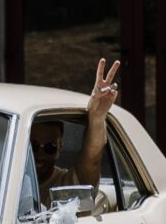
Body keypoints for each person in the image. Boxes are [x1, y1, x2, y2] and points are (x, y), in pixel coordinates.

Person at [30, 58, 120, 211]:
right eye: (34, 146)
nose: (40, 154)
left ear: (60, 148)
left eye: (50, 148)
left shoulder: (64, 185)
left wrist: (97, 118)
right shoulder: (3, 182)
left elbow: (91, 159)